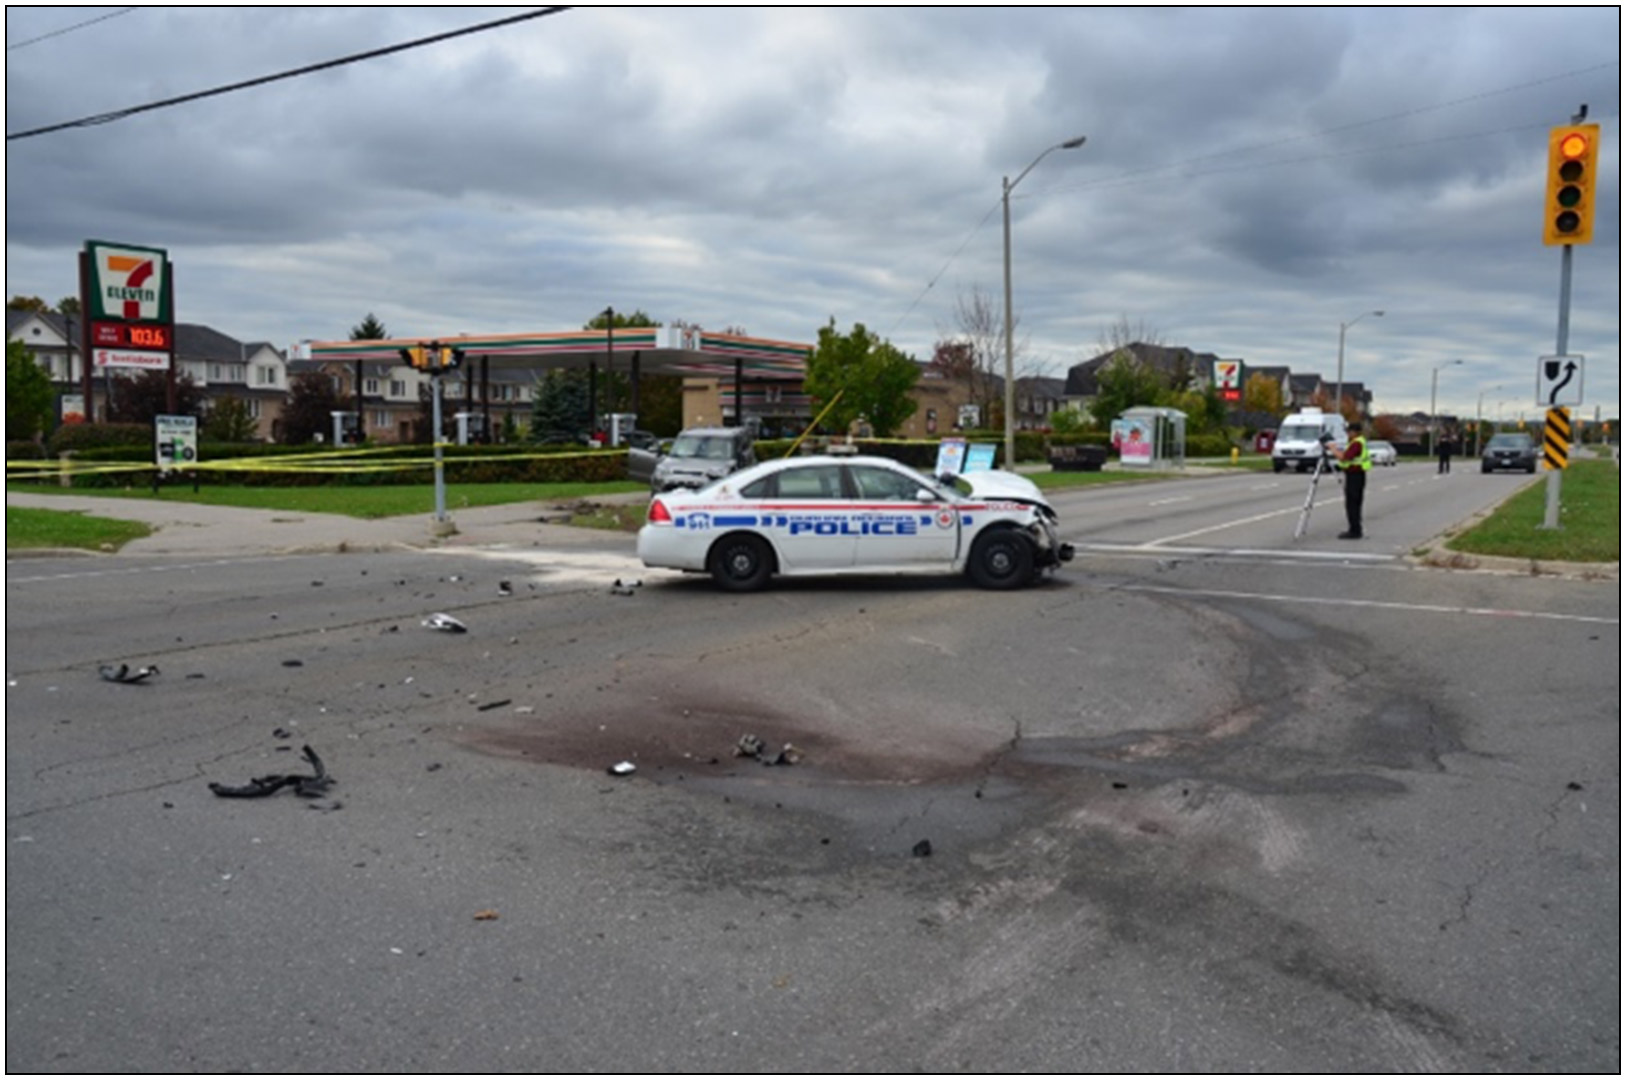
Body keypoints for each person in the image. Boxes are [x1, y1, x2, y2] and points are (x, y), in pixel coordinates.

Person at [1336, 420, 1371, 539]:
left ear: (1354, 432)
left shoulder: (1357, 443)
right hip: (1356, 475)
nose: (1348, 434)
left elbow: (1345, 458)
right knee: (1354, 503)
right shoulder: (1357, 442)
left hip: (1355, 476)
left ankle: (1354, 530)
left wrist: (1333, 449)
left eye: (1349, 432)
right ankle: (1355, 528)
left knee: (1352, 504)